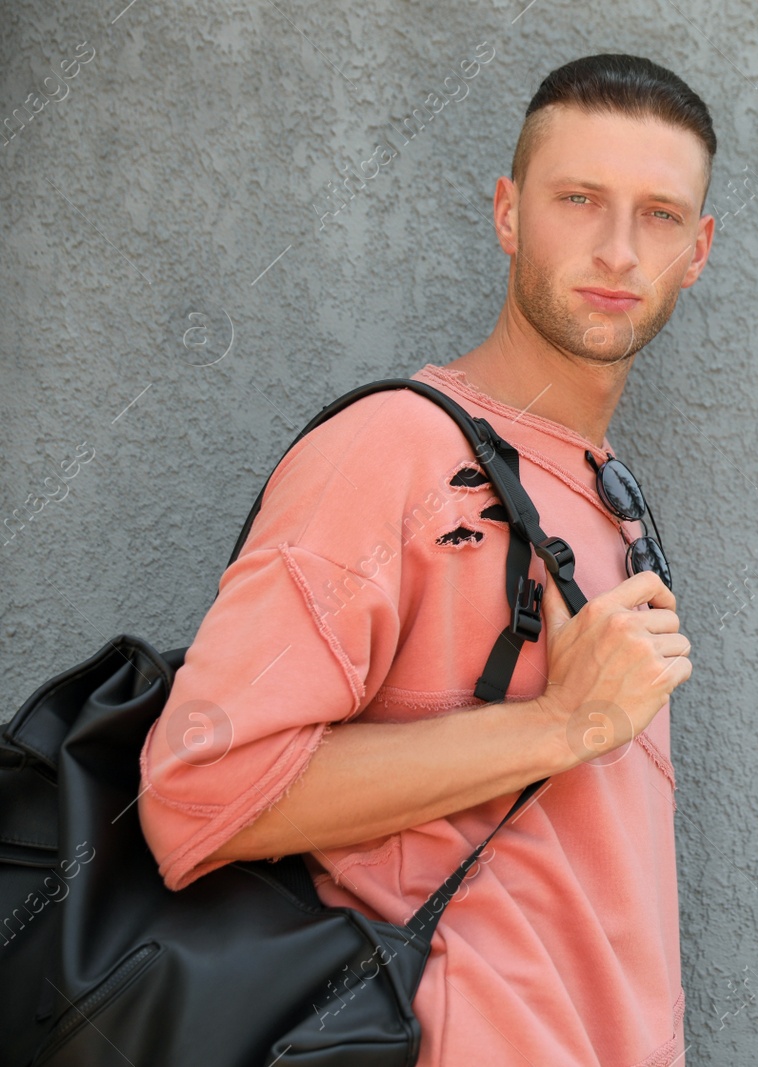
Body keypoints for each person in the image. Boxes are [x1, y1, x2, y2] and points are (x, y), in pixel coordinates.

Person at [138, 53, 715, 1067]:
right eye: (578, 199)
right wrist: (555, 722)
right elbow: (196, 795)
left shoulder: (606, 487)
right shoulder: (395, 450)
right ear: (507, 213)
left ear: (698, 249)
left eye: (659, 214)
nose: (619, 249)